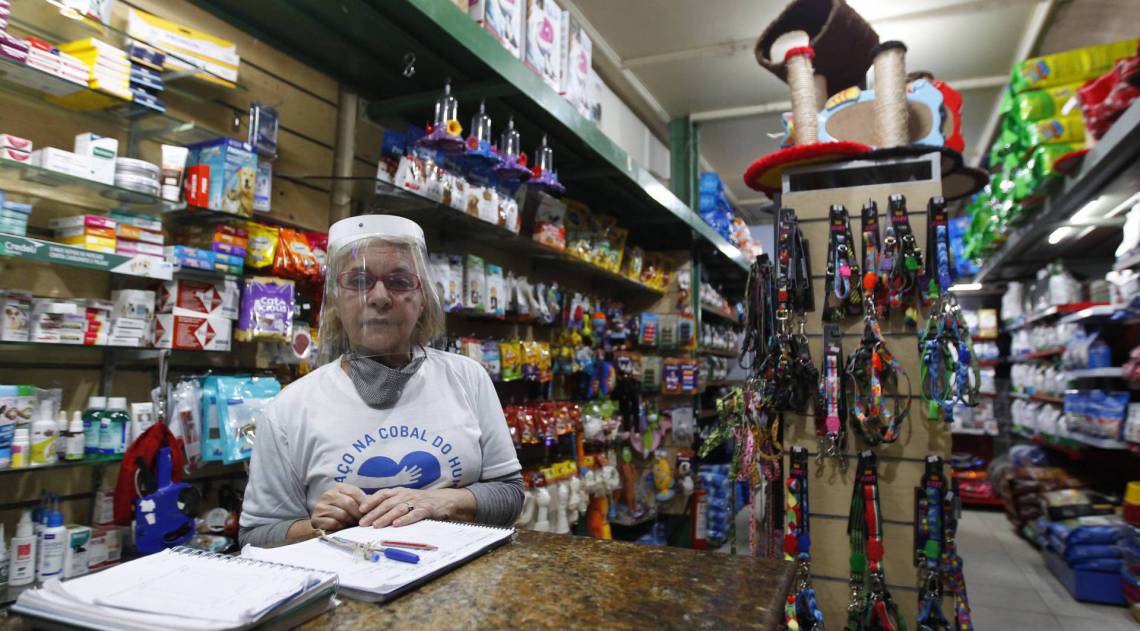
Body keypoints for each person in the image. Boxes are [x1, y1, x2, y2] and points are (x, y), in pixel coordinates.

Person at [240, 216, 523, 547]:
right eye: (358, 280)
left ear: (423, 300)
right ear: (335, 302)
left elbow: (509, 494)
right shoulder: (290, 407)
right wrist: (318, 527)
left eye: (400, 281)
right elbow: (257, 534)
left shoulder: (467, 378)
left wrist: (438, 502)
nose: (378, 297)